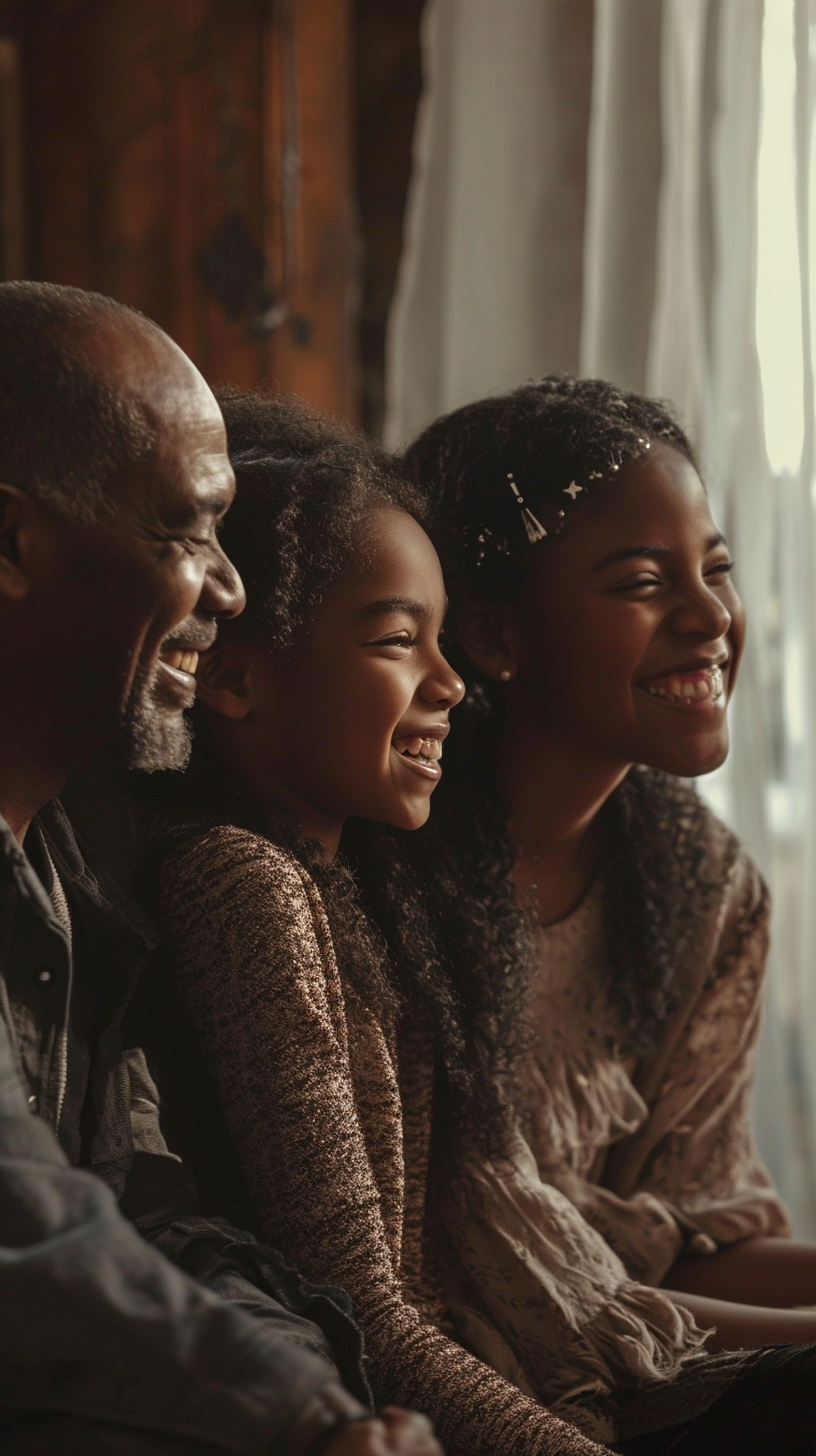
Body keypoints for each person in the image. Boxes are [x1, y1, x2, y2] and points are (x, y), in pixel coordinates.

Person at [137, 386, 623, 1456]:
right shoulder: (241, 884)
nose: (450, 682)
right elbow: (363, 1314)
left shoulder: (349, 890)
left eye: (443, 640)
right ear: (236, 672)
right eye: (398, 639)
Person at [0, 280, 441, 1456]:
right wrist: (298, 1417)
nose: (231, 592)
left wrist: (332, 1404)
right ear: (12, 543)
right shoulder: (222, 879)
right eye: (188, 535)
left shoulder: (75, 861)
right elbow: (26, 1228)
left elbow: (154, 1211)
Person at [346, 372, 816, 1451]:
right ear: (498, 636)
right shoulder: (381, 878)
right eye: (643, 582)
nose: (710, 618)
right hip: (464, 1386)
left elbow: (688, 1234)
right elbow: (477, 1281)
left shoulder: (702, 885)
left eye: (718, 569)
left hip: (638, 1352)